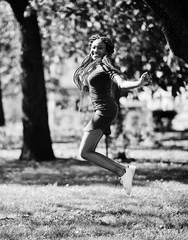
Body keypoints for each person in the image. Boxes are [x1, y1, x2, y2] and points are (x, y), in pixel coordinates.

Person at [73, 34, 151, 195]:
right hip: (102, 109)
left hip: (105, 110)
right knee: (87, 151)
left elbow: (121, 83)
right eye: (93, 47)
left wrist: (139, 83)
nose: (95, 50)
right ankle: (123, 170)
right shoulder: (93, 66)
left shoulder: (105, 66)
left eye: (100, 47)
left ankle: (123, 171)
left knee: (85, 152)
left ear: (107, 51)